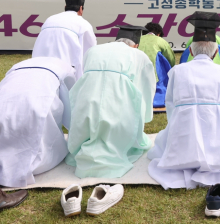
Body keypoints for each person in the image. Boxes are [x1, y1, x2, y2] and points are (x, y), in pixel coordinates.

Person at [147, 12, 220, 189]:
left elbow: (171, 105)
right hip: (217, 142)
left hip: (182, 136)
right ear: (216, 52)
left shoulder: (177, 71)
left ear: (191, 51)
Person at [0, 57, 76, 188]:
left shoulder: (19, 66)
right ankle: (17, 170)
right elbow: (72, 98)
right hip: (36, 101)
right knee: (36, 130)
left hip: (4, 98)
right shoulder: (66, 69)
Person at [66, 25, 155, 178]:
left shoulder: (94, 50)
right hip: (118, 105)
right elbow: (146, 87)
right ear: (136, 45)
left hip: (87, 104)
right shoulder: (138, 55)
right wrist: (146, 115)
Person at [32, 0, 96, 79]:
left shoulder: (50, 19)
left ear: (65, 6)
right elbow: (90, 51)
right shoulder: (83, 24)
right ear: (81, 9)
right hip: (65, 73)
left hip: (39, 68)